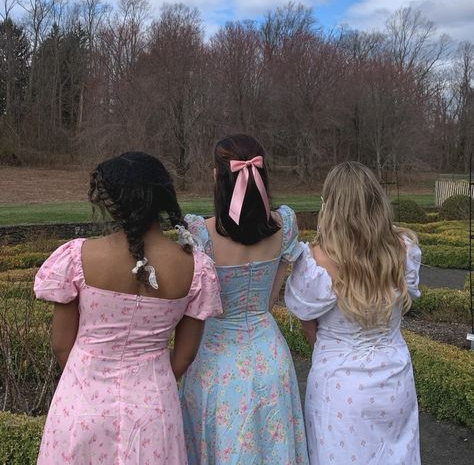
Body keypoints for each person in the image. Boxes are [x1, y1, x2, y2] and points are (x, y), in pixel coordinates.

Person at [34, 151, 222, 465]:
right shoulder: (195, 268)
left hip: (80, 404)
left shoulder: (79, 257)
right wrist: (151, 380)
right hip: (153, 413)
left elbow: (61, 345)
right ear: (163, 198)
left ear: (111, 202)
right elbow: (185, 355)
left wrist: (90, 377)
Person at [179, 134, 309, 465]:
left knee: (222, 448)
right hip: (270, 357)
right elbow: (270, 298)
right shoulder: (285, 226)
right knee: (273, 448)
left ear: (216, 178)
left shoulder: (199, 233)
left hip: (215, 362)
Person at [285, 161, 421, 465]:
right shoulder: (402, 248)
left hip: (339, 387)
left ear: (330, 204)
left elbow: (310, 327)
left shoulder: (316, 260)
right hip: (395, 379)